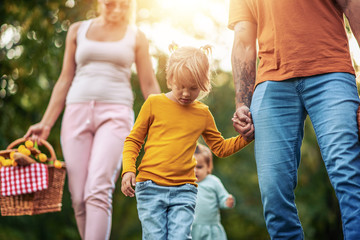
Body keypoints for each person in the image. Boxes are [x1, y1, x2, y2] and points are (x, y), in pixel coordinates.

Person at [24, 0, 161, 239]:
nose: (117, 10)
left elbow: (149, 84)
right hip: (76, 113)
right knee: (78, 196)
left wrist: (167, 121)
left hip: (116, 115)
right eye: (110, 4)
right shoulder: (77, 30)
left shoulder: (136, 36)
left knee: (98, 189)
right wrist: (45, 123)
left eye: (124, 6)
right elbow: (65, 79)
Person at [228, 0, 360, 239]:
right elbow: (243, 40)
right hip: (271, 82)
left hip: (331, 72)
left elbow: (352, 5)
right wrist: (242, 102)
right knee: (273, 190)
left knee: (348, 172)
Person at [121, 44, 251, 240]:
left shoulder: (202, 113)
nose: (185, 94)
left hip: (184, 191)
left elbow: (220, 148)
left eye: (193, 88)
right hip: (150, 188)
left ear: (203, 84)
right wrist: (129, 169)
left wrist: (246, 138)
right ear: (170, 78)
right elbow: (133, 140)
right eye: (181, 86)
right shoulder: (154, 104)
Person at [191, 143, 235, 240]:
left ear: (208, 167)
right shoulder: (185, 183)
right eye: (192, 167)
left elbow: (223, 197)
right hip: (190, 227)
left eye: (199, 167)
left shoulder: (213, 181)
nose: (195, 170)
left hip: (210, 227)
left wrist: (227, 201)